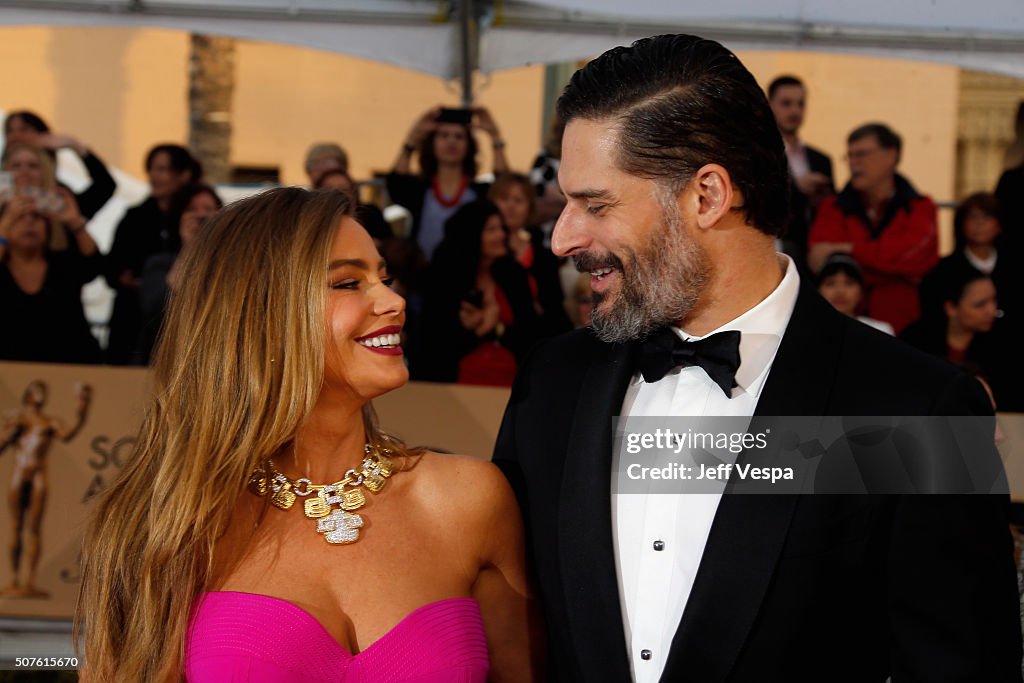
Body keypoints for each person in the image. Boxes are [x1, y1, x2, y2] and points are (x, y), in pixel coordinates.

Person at [492, 34, 1020, 682]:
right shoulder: (552, 384)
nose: (562, 237)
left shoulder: (919, 410)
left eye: (595, 204)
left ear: (707, 195)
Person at [76, 188, 539, 682]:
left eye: (383, 277)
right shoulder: (169, 523)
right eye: (347, 283)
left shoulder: (468, 500)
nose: (393, 300)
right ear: (259, 312)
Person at [808, 123, 938, 333]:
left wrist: (850, 250)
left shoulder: (920, 207)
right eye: (849, 156)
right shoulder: (833, 207)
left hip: (904, 328)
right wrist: (890, 268)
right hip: (841, 327)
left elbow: (915, 259)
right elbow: (820, 261)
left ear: (891, 155)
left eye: (862, 154)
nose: (853, 163)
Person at [417, 200, 541, 385]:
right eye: (491, 230)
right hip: (453, 384)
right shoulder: (444, 279)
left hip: (514, 381)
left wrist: (497, 327)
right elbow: (432, 343)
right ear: (471, 235)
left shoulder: (513, 275)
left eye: (501, 228)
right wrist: (470, 330)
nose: (501, 235)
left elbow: (532, 335)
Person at [0, 153, 103, 364]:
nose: (29, 223)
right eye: (20, 218)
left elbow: (94, 266)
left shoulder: (61, 263)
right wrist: (5, 223)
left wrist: (75, 222)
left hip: (67, 367)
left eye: (36, 218)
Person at [104, 143, 201, 364]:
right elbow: (112, 265)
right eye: (152, 169)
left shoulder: (196, 218)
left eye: (163, 169)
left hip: (179, 321)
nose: (154, 176)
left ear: (183, 175)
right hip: (132, 320)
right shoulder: (135, 217)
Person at [1, 380, 92, 597]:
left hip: (38, 476)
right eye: (37, 390)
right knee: (16, 527)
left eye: (44, 390)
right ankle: (14, 579)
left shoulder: (49, 422)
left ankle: (29, 581)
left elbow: (68, 434)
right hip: (19, 474)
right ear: (29, 394)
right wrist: (9, 431)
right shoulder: (18, 419)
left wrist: (82, 407)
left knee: (33, 528)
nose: (42, 394)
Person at [387, 106, 508, 260]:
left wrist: (495, 136)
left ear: (468, 146)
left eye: (459, 137)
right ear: (432, 144)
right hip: (422, 276)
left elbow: (504, 187)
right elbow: (396, 184)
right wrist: (413, 137)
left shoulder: (479, 193)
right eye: (444, 136)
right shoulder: (420, 190)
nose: (451, 142)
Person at [902, 264, 1020, 412]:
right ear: (951, 307)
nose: (991, 310)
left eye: (994, 300)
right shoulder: (916, 339)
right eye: (980, 304)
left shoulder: (1006, 341)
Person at [136, 182, 224, 364]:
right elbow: (156, 307)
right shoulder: (159, 264)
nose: (201, 216)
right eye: (192, 210)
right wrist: (189, 247)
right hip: (164, 359)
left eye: (208, 209)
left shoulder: (228, 266)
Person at [489, 172, 572, 337]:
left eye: (518, 200)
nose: (510, 206)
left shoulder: (543, 255)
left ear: (529, 208)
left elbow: (554, 307)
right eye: (504, 199)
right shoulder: (481, 249)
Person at [766, 75, 834, 273]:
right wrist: (797, 188)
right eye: (786, 103)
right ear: (769, 106)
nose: (795, 110)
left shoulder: (821, 159)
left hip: (814, 252)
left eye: (800, 104)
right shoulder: (761, 155)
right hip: (778, 250)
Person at [919, 192, 1019, 321]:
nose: (979, 224)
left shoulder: (1016, 267)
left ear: (999, 225)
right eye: (972, 217)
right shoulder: (942, 271)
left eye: (987, 217)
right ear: (961, 224)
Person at [3, 110, 117, 221]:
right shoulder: (3, 186)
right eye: (9, 131)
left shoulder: (59, 194)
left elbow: (105, 186)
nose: (15, 136)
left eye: (24, 129)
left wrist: (73, 144)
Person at [816, 252, 894, 334]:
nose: (840, 291)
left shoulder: (880, 331)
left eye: (849, 283)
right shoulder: (805, 330)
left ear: (861, 292)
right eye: (830, 283)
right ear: (818, 291)